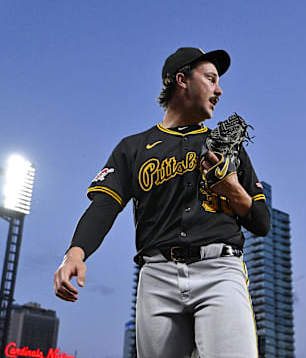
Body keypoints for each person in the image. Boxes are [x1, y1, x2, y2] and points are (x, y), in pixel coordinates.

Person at [54, 47, 270, 358]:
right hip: (157, 276)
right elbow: (104, 206)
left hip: (219, 270)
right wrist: (75, 252)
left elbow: (262, 223)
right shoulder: (133, 148)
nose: (219, 89)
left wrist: (234, 190)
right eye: (210, 79)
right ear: (181, 80)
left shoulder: (229, 149)